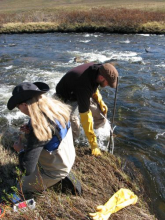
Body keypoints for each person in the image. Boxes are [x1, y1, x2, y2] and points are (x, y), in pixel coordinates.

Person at [7, 82, 76, 193]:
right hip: (69, 155)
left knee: (20, 187)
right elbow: (53, 134)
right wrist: (30, 132)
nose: (18, 109)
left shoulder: (39, 126)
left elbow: (27, 169)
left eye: (17, 106)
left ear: (25, 105)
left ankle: (58, 177)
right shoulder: (56, 108)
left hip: (56, 169)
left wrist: (20, 150)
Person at [56, 62, 119, 156]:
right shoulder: (83, 86)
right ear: (102, 78)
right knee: (75, 130)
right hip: (67, 97)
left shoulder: (99, 68)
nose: (108, 85)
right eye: (108, 83)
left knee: (100, 112)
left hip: (80, 90)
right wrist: (93, 144)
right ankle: (67, 150)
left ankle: (98, 131)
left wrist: (100, 102)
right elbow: (86, 117)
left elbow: (93, 86)